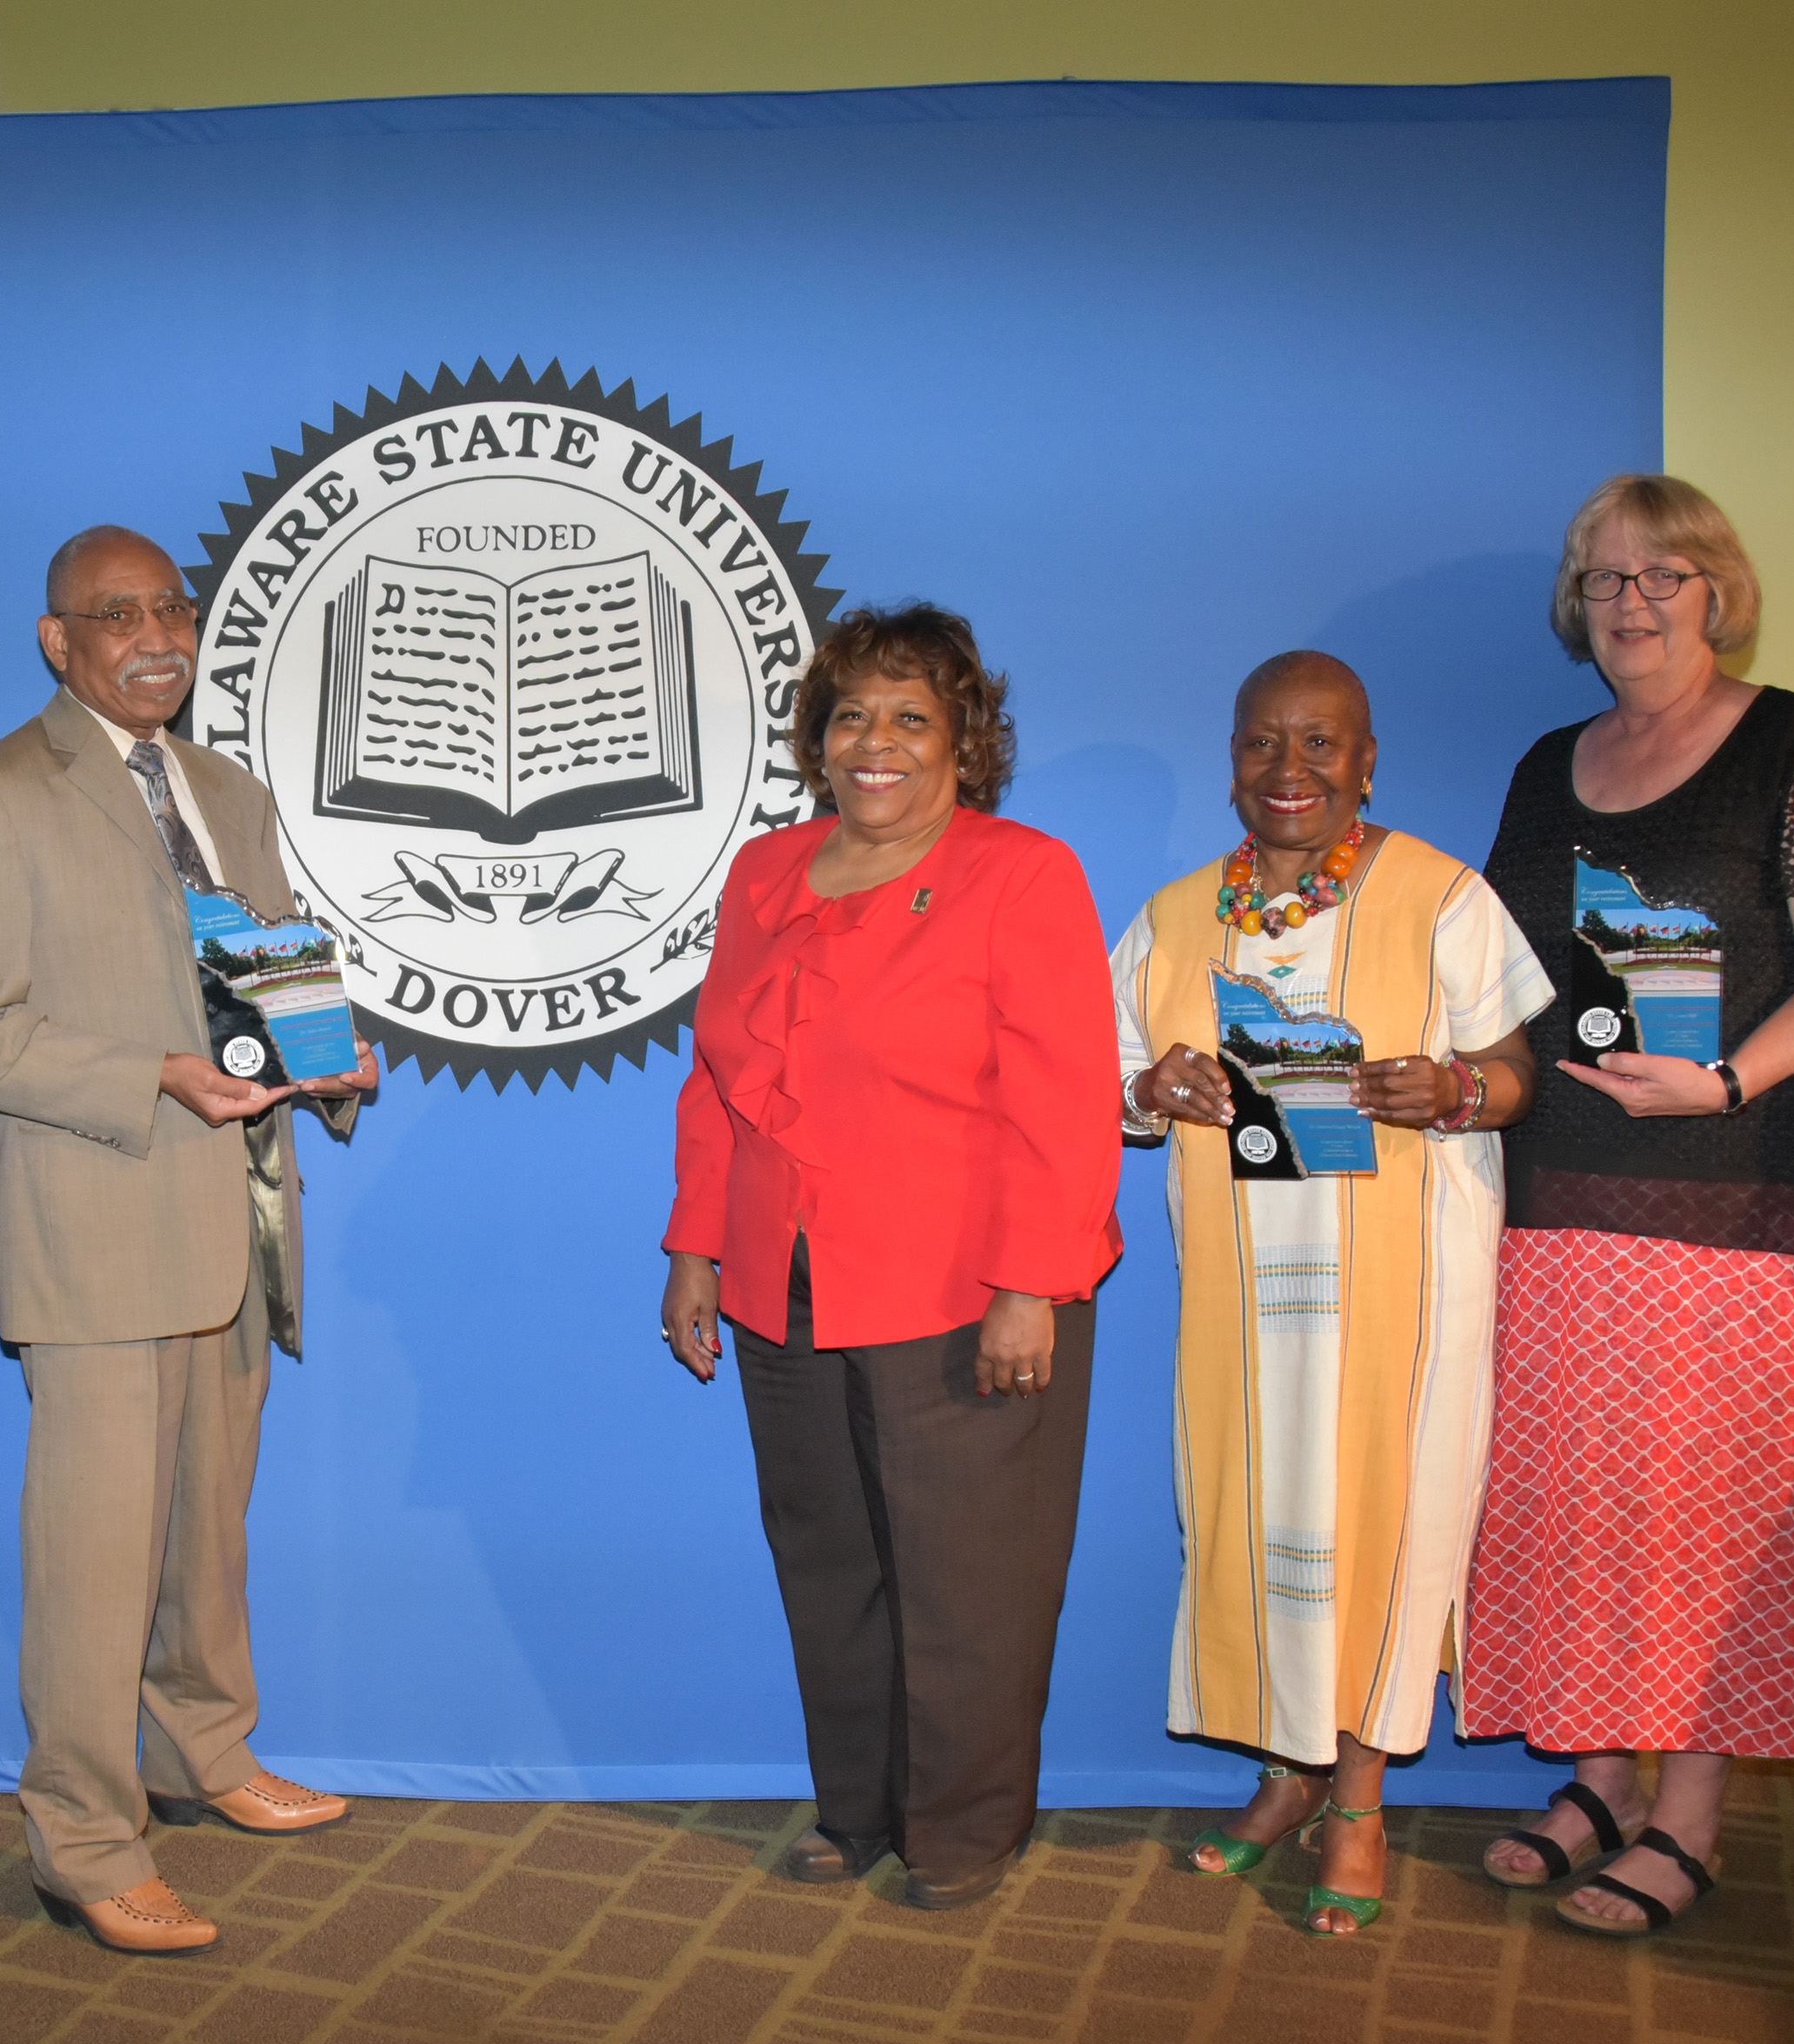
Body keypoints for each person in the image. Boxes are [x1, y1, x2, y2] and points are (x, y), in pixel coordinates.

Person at [0, 524, 378, 1957]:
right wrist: (153, 1074)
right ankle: (85, 1840)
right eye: (119, 614)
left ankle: (203, 1755)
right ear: (60, 641)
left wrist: (325, 1049)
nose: (157, 633)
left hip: (238, 1219)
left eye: (174, 606)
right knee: (95, 1562)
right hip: (99, 1230)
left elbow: (271, 958)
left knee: (205, 1542)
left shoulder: (227, 790)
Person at [1462, 473, 1794, 1938]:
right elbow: (1503, 979)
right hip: (1561, 1202)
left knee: (1703, 1519)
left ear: (1720, 593)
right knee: (1586, 1505)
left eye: (1665, 576)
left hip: (1744, 1207)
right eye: (1605, 579)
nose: (1633, 603)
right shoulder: (1545, 764)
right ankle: (1598, 1774)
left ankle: (1691, 1813)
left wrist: (1723, 1080)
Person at [661, 603, 1124, 1912]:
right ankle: (857, 1803)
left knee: (971, 1576)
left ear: (963, 745)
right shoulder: (764, 875)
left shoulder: (1021, 874)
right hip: (782, 1283)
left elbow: (1065, 1099)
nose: (877, 742)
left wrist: (1032, 1283)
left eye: (911, 717)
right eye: (852, 714)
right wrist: (696, 1247)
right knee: (831, 1562)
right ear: (819, 742)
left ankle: (965, 1827)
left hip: (963, 1292)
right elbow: (718, 1085)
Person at [1115, 651, 1548, 1935]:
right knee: (1256, 1518)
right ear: (1232, 758)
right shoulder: (1179, 914)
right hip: (1246, 1296)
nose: (1288, 770)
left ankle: (1356, 1795)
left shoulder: (1440, 895)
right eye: (1262, 744)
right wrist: (1159, 1090)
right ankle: (1289, 1771)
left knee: (1382, 1516)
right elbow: (1116, 1080)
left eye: (1320, 744)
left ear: (1368, 761)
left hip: (1404, 1289)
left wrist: (1460, 1091)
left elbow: (1519, 1068)